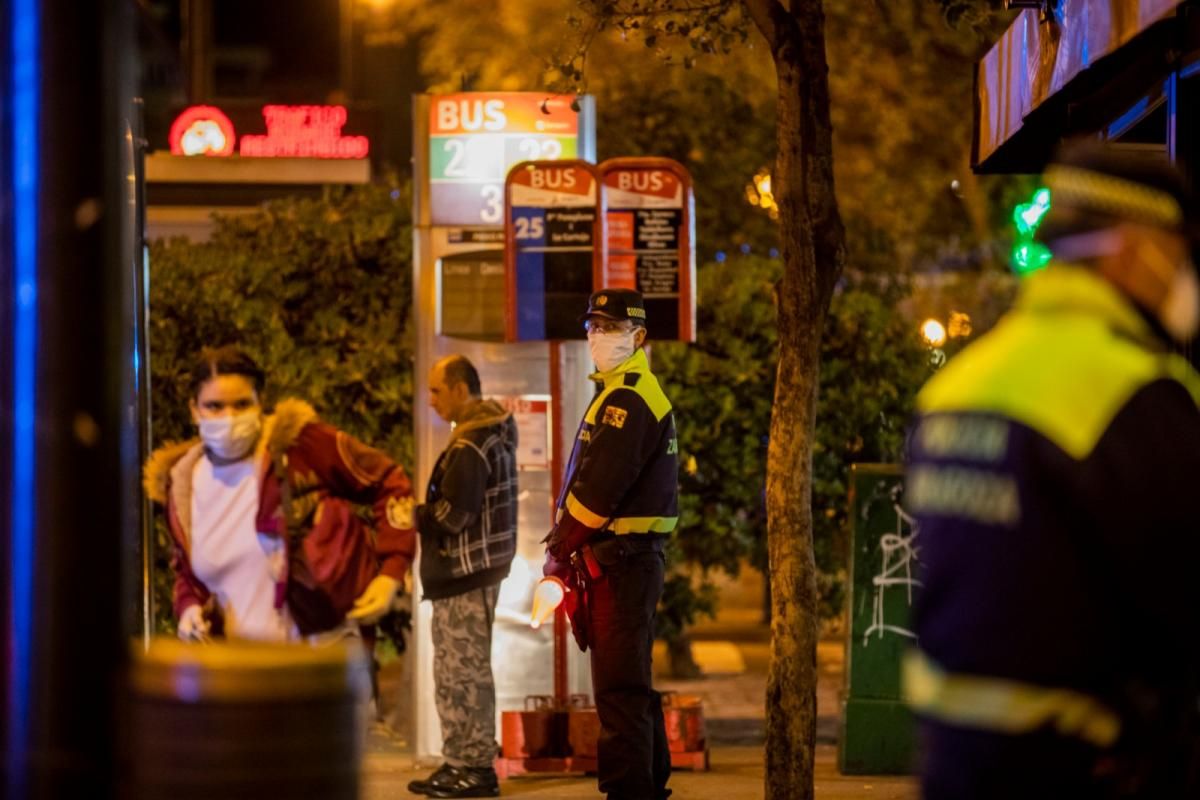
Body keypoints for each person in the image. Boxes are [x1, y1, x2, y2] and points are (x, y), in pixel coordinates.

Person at [904, 143, 1200, 798]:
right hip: (1078, 766)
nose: (1181, 275)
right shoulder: (1134, 394)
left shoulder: (958, 385)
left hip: (952, 758)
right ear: (1130, 249)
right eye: (1178, 254)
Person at [143, 345, 416, 645]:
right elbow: (187, 573)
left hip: (326, 658)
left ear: (261, 403)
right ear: (194, 410)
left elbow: (389, 480)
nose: (229, 417)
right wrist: (188, 609)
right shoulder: (182, 485)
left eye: (242, 404)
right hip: (240, 673)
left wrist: (391, 571)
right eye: (215, 406)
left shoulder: (298, 448)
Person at [542, 288, 679, 800]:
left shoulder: (630, 398)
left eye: (610, 328)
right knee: (631, 687)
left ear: (638, 337)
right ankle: (650, 786)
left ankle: (630, 792)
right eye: (593, 327)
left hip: (623, 564)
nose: (597, 337)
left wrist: (559, 546)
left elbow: (598, 493)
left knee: (619, 693)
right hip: (625, 563)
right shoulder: (622, 391)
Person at [408, 355, 517, 799]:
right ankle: (459, 763)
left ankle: (473, 768)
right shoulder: (484, 434)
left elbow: (454, 516)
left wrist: (413, 516)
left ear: (459, 389)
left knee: (464, 674)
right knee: (457, 672)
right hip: (472, 573)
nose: (430, 399)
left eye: (436, 390)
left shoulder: (471, 443)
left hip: (465, 575)